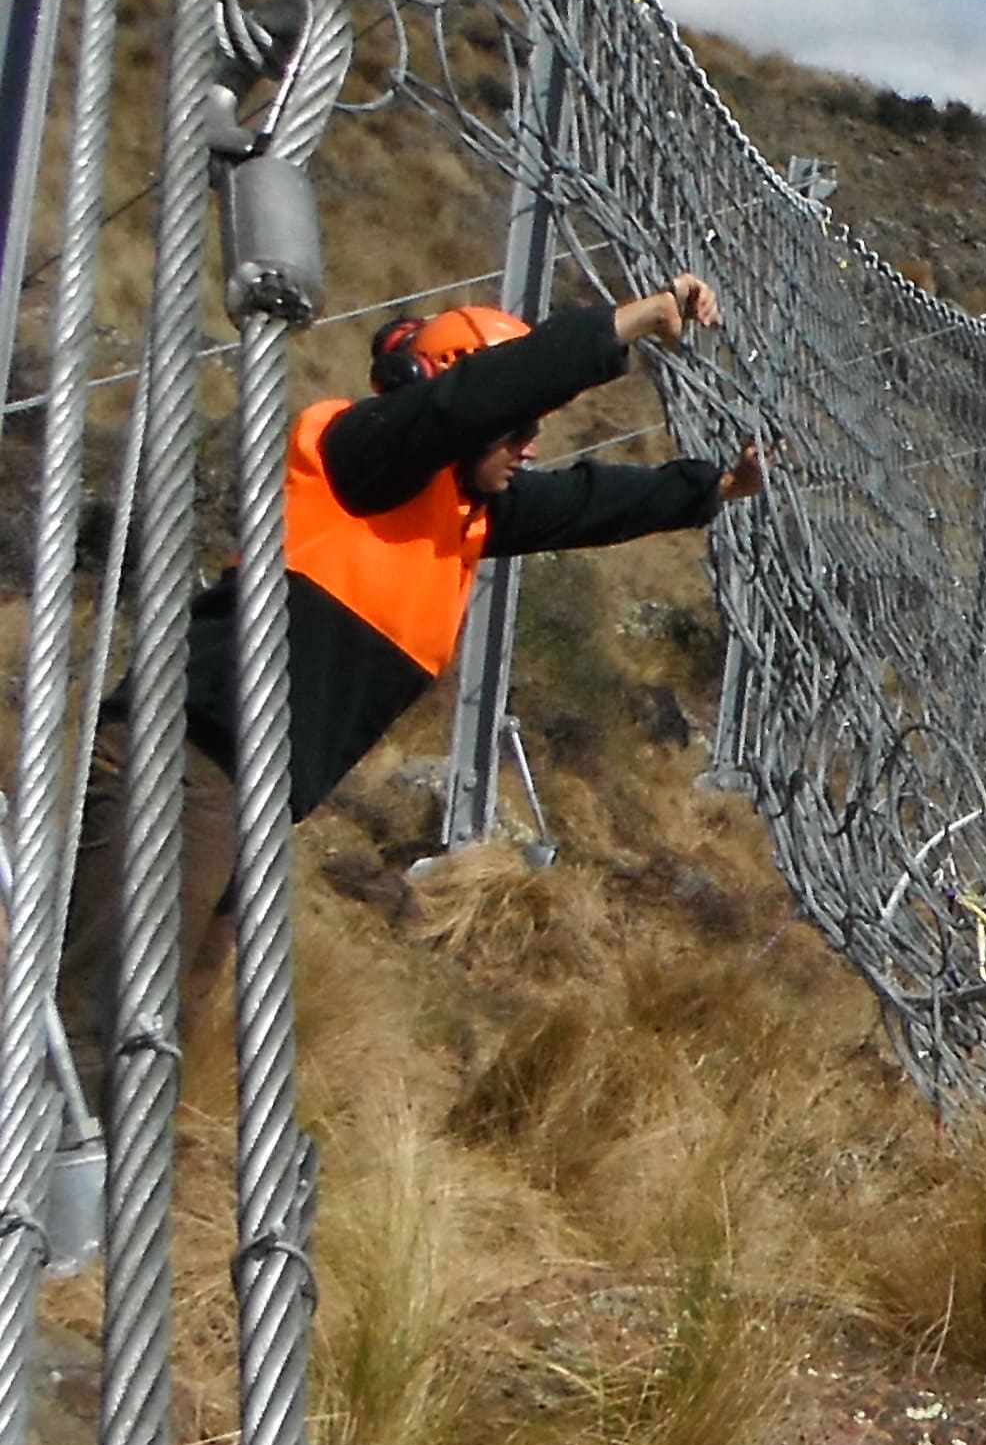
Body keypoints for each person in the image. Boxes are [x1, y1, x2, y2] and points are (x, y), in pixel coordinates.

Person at [58, 279, 763, 1105]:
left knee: (159, 1021)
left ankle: (98, 1210)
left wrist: (712, 490)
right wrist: (632, 321)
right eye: (519, 426)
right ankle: (46, 1205)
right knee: (103, 1022)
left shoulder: (458, 511)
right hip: (184, 763)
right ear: (457, 398)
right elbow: (478, 400)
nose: (530, 446)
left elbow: (583, 502)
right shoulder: (362, 456)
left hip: (240, 789)